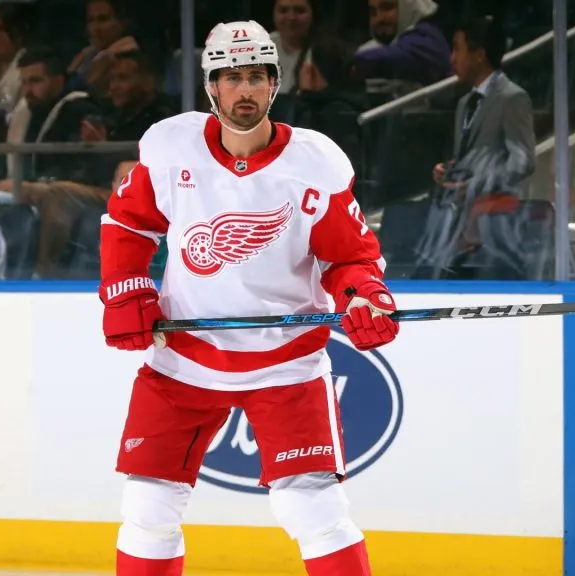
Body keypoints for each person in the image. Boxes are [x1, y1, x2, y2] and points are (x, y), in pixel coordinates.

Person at [98, 20, 398, 576]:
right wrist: (126, 288)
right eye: (230, 77)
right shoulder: (170, 147)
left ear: (275, 83)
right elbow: (127, 224)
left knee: (314, 509)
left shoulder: (315, 163)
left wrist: (364, 296)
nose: (244, 91)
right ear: (211, 86)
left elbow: (349, 258)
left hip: (285, 363)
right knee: (147, 508)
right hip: (184, 360)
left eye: (256, 77)